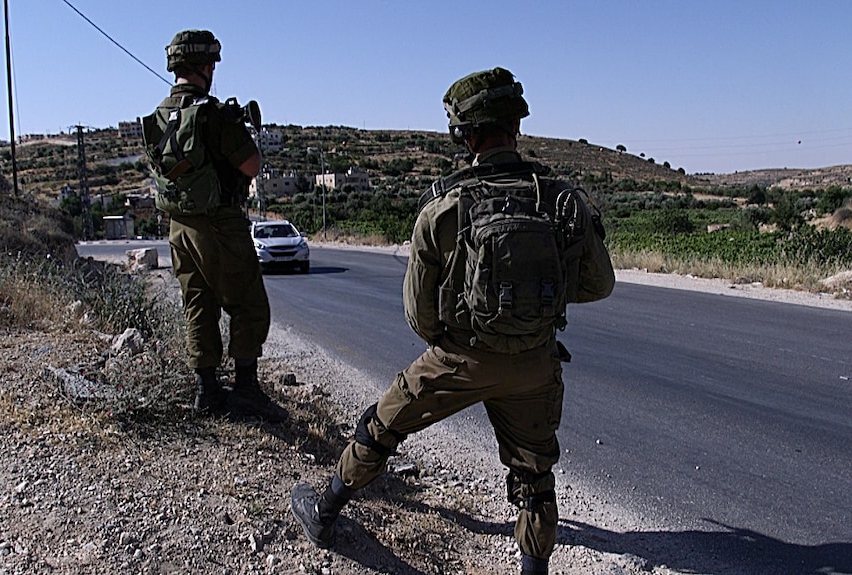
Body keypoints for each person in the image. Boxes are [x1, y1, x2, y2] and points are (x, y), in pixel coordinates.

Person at [290, 67, 615, 574]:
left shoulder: (442, 207)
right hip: (535, 361)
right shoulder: (561, 200)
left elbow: (419, 315)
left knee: (380, 427)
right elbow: (599, 284)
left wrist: (464, 340)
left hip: (459, 358)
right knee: (535, 475)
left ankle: (325, 510)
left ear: (464, 133)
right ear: (515, 124)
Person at [143, 30, 272, 417]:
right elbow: (251, 165)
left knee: (198, 303)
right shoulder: (212, 113)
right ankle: (246, 391)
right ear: (203, 65)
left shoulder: (159, 117)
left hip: (179, 226)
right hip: (220, 223)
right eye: (211, 63)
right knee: (248, 303)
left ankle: (207, 392)